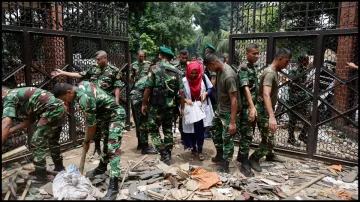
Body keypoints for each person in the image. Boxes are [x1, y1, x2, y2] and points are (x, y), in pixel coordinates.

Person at [53, 81, 126, 200]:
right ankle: (102, 168)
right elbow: (89, 118)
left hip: (116, 115)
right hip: (106, 116)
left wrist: (86, 142)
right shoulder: (81, 86)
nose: (65, 101)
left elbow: (92, 125)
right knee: (106, 146)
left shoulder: (84, 99)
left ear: (69, 92)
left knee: (113, 149)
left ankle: (113, 186)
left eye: (64, 98)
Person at [51, 50, 122, 156]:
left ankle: (109, 149)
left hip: (104, 103)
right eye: (96, 59)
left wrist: (117, 101)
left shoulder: (114, 70)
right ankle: (97, 147)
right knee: (94, 126)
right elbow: (80, 75)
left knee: (107, 127)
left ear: (105, 58)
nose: (96, 61)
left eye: (98, 60)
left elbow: (117, 86)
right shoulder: (93, 68)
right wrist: (63, 72)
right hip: (91, 102)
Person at [2, 86, 66, 184]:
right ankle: (59, 168)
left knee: (36, 143)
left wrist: (5, 131)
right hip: (58, 108)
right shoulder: (20, 97)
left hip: (52, 110)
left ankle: (41, 177)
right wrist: (11, 131)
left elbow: (6, 123)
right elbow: (29, 121)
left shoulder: (9, 96)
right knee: (53, 141)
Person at [248, 48, 292, 172]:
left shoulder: (274, 71)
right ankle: (254, 158)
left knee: (268, 135)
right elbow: (266, 94)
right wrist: (272, 116)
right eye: (286, 61)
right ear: (280, 59)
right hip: (263, 110)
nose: (287, 64)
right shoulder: (270, 73)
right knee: (269, 140)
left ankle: (270, 155)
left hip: (266, 109)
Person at [141, 46, 185, 165]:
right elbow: (181, 92)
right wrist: (183, 109)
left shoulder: (154, 68)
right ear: (171, 58)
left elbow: (148, 87)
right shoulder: (177, 72)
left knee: (153, 130)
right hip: (170, 106)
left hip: (156, 106)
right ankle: (168, 153)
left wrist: (144, 103)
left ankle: (164, 154)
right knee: (168, 129)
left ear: (161, 56)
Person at [203, 53, 241, 173]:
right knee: (214, 130)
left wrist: (233, 122)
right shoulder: (219, 70)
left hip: (229, 112)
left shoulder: (228, 76)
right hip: (220, 109)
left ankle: (225, 163)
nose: (210, 71)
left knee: (227, 138)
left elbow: (234, 99)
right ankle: (220, 154)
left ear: (213, 64)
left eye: (209, 68)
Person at [182, 61, 214, 161]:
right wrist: (185, 100)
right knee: (191, 130)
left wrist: (205, 94)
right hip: (190, 108)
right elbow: (179, 94)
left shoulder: (203, 77)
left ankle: (200, 150)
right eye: (192, 73)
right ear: (188, 72)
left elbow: (210, 88)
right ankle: (193, 149)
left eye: (196, 73)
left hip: (201, 107)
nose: (194, 75)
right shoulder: (184, 80)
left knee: (200, 130)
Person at [236, 43, 260, 177]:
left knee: (249, 134)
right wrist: (251, 107)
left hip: (253, 106)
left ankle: (241, 156)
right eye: (254, 53)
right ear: (247, 54)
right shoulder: (244, 68)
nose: (256, 56)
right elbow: (245, 88)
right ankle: (244, 164)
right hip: (246, 108)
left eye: (257, 53)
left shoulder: (253, 68)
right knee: (246, 136)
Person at [130, 50, 153, 150]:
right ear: (137, 56)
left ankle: (141, 143)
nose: (141, 58)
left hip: (138, 93)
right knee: (142, 121)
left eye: (143, 56)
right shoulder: (134, 65)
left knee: (140, 121)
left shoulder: (148, 65)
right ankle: (143, 145)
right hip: (140, 95)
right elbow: (131, 78)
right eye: (140, 56)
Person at [287, 54, 312, 147]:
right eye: (306, 60)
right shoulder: (294, 70)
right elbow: (290, 84)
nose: (308, 62)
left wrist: (309, 84)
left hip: (304, 98)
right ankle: (291, 138)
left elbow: (306, 85)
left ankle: (303, 135)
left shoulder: (304, 70)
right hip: (295, 98)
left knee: (310, 116)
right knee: (293, 119)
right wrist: (304, 84)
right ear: (301, 61)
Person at [130, 75, 158, 154]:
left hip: (135, 96)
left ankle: (140, 144)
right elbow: (148, 90)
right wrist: (144, 104)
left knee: (138, 121)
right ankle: (145, 148)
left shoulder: (149, 76)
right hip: (138, 98)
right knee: (143, 122)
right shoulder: (154, 78)